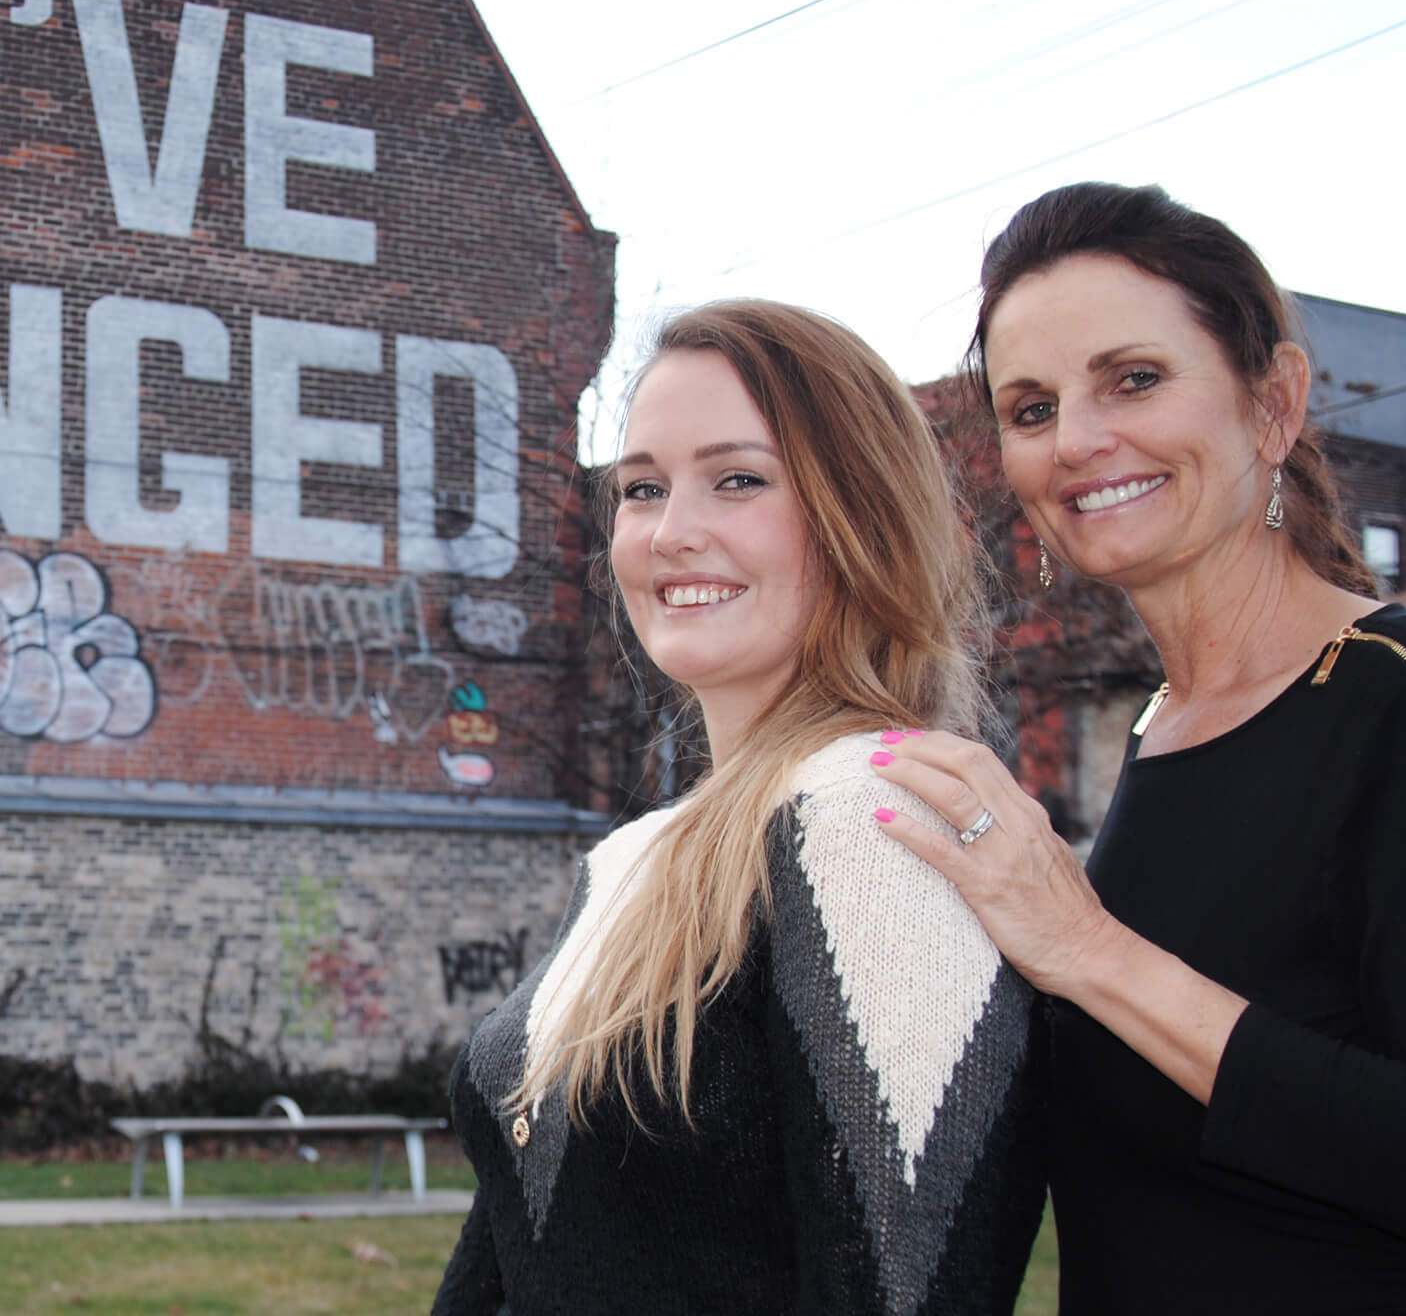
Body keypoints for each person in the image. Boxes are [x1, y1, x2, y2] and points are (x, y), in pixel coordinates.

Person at [871, 182, 1406, 1313]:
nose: (1079, 440)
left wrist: (1087, 950)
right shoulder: (1166, 728)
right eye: (1029, 407)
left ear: (1273, 403)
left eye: (1136, 379)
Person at [435, 301, 1043, 1315]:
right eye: (641, 488)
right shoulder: (639, 855)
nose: (672, 534)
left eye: (739, 480)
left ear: (862, 516)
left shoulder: (871, 820)